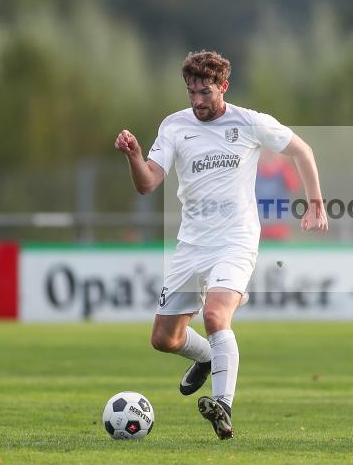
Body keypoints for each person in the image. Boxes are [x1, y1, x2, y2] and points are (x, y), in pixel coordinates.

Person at [115, 50, 328, 440]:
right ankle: (211, 356)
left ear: (223, 87)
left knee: (215, 316)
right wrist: (133, 156)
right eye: (191, 92)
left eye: (206, 92)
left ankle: (223, 407)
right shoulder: (175, 126)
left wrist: (315, 204)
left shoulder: (249, 122)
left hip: (236, 238)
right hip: (191, 243)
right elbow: (147, 184)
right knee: (164, 339)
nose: (197, 101)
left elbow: (302, 151)